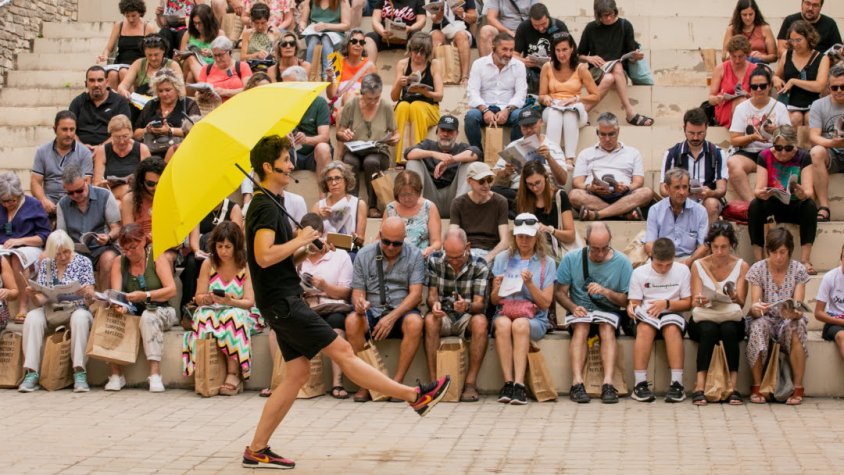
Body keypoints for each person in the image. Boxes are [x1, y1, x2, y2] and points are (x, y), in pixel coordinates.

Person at [243, 136, 450, 469]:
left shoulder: (269, 201)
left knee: (296, 374)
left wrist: (301, 252)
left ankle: (256, 448)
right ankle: (415, 397)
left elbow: (277, 261)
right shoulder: (265, 206)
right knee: (341, 352)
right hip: (283, 302)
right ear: (268, 167)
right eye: (285, 159)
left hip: (280, 299)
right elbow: (263, 257)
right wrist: (301, 238)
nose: (292, 165)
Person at [345, 216, 425, 401]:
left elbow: (416, 295)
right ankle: (367, 383)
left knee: (415, 323)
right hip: (372, 309)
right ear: (379, 235)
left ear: (404, 239)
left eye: (396, 244)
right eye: (386, 241)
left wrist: (391, 317)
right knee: (351, 322)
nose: (390, 247)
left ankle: (396, 385)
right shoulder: (364, 255)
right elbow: (357, 292)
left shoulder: (414, 255)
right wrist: (359, 303)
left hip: (401, 310)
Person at [554, 222, 631, 404]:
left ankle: (608, 383)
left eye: (604, 248)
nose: (600, 254)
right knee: (581, 326)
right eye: (595, 249)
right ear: (587, 241)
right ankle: (577, 383)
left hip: (608, 312)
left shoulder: (622, 262)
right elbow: (559, 293)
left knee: (606, 328)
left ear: (610, 241)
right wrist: (573, 307)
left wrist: (606, 292)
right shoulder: (572, 258)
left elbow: (626, 300)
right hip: (580, 312)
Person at [182, 221, 261, 396]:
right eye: (220, 246)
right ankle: (208, 370)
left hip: (241, 310)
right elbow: (198, 296)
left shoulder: (245, 265)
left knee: (232, 317)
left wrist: (229, 301)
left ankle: (234, 374)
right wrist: (209, 298)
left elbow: (249, 302)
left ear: (236, 246)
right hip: (214, 309)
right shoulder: (208, 264)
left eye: (228, 246)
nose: (223, 251)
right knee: (203, 317)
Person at [17, 230, 96, 393]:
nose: (63, 257)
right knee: (32, 317)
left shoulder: (83, 262)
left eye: (66, 251)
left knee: (81, 318)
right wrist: (33, 295)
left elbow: (90, 300)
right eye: (58, 254)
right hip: (51, 308)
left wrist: (88, 294)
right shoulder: (46, 264)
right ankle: (32, 372)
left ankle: (79, 372)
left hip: (76, 308)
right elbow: (41, 300)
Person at [489, 213, 556, 405]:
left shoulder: (547, 262)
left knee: (519, 325)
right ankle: (508, 382)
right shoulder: (503, 258)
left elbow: (545, 303)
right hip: (506, 310)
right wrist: (499, 287)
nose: (524, 241)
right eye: (520, 236)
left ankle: (520, 385)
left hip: (534, 317)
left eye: (528, 236)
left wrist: (530, 284)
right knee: (502, 324)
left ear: (537, 237)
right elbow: (494, 301)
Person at [104, 223, 177, 392]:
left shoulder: (157, 257)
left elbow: (171, 290)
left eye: (133, 248)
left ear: (143, 241)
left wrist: (146, 295)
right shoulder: (119, 262)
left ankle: (155, 374)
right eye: (125, 249)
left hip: (161, 308)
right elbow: (117, 294)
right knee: (112, 315)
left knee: (148, 317)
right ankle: (116, 374)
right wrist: (119, 306)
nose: (129, 253)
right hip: (134, 308)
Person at [424, 228, 489, 402]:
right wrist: (434, 304)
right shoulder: (435, 260)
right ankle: (433, 382)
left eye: (458, 257)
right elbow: (431, 295)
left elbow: (480, 304)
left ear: (467, 247)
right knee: (430, 319)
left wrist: (466, 306)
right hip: (443, 314)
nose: (454, 262)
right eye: (449, 256)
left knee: (481, 323)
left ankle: (470, 383)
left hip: (467, 316)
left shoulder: (480, 264)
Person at [746, 227, 809, 405]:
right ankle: (758, 386)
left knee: (797, 325)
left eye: (783, 252)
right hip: (767, 318)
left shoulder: (798, 269)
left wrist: (792, 312)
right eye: (774, 252)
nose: (779, 257)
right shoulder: (758, 268)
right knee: (758, 325)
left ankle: (798, 387)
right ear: (768, 251)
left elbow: (798, 303)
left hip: (788, 319)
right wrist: (759, 307)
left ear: (789, 250)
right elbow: (755, 306)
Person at [688, 221, 748, 406]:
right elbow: (694, 300)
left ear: (731, 245)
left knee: (729, 330)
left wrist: (734, 295)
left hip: (729, 314)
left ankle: (733, 387)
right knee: (708, 330)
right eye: (715, 247)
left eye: (724, 247)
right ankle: (700, 386)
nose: (720, 252)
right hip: (705, 315)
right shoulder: (698, 265)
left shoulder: (741, 265)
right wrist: (700, 299)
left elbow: (741, 302)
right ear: (709, 246)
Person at [627, 238, 692, 403]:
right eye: (659, 265)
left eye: (668, 265)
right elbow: (634, 302)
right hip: (647, 315)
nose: (663, 269)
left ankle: (677, 384)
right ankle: (640, 384)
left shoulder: (682, 270)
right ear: (651, 257)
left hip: (672, 312)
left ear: (674, 258)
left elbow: (688, 303)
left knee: (672, 329)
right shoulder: (639, 273)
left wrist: (667, 303)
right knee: (645, 329)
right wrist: (632, 308)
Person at [297, 213, 354, 399]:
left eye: (314, 238)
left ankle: (337, 382)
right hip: (307, 305)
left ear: (322, 235)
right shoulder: (297, 256)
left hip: (332, 305)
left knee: (337, 323)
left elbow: (346, 293)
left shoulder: (340, 255)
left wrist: (324, 286)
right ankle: (283, 381)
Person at [748, 125, 817, 273]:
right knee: (755, 205)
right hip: (774, 203)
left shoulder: (804, 156)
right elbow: (758, 189)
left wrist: (802, 194)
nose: (783, 152)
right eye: (778, 148)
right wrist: (762, 193)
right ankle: (758, 260)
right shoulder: (764, 155)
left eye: (788, 148)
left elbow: (809, 191)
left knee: (810, 205)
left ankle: (805, 259)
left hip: (795, 204)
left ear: (795, 146)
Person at [577, 0, 653, 127]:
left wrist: (636, 57)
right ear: (598, 15)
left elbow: (631, 54)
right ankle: (630, 113)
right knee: (612, 72)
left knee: (611, 75)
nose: (608, 18)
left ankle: (582, 112)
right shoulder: (591, 28)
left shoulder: (625, 25)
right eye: (604, 16)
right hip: (597, 71)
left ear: (615, 11)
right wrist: (589, 58)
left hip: (618, 74)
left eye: (611, 14)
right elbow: (579, 55)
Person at [569, 112, 653, 221]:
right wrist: (590, 187)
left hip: (623, 195)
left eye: (611, 134)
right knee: (574, 195)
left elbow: (638, 181)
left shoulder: (633, 152)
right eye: (603, 134)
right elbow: (577, 182)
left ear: (618, 131)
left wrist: (626, 188)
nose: (607, 139)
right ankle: (623, 214)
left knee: (647, 192)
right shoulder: (586, 153)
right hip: (594, 196)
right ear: (597, 132)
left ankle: (598, 215)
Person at [336, 73, 399, 218]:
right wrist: (343, 134)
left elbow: (396, 133)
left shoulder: (386, 106)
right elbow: (339, 133)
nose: (373, 102)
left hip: (378, 151)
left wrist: (394, 139)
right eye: (369, 98)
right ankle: (352, 204)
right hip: (354, 150)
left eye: (376, 98)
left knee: (371, 162)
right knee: (350, 162)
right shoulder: (351, 105)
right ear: (362, 93)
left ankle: (372, 205)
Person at [727, 65, 791, 202]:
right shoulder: (741, 108)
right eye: (754, 87)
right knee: (733, 163)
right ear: (750, 88)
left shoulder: (780, 107)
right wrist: (752, 137)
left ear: (769, 87)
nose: (758, 90)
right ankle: (752, 205)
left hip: (774, 151)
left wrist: (776, 131)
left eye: (762, 86)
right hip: (749, 152)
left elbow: (790, 138)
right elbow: (734, 139)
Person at [537, 32, 600, 166]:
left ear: (572, 48)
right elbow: (541, 96)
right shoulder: (547, 67)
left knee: (570, 113)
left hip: (575, 107)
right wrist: (546, 98)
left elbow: (596, 95)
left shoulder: (581, 68)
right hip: (554, 107)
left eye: (565, 49)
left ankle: (569, 158)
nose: (561, 54)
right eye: (558, 50)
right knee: (556, 113)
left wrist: (577, 99)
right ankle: (553, 158)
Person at [56, 165, 121, 288]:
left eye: (79, 190)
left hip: (101, 249)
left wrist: (108, 237)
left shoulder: (104, 195)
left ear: (86, 181)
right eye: (70, 193)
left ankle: (104, 302)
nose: (76, 195)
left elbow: (117, 228)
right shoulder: (62, 204)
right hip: (74, 252)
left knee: (108, 258)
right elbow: (61, 235)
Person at [492, 108, 567, 215]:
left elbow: (563, 180)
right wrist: (506, 172)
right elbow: (495, 180)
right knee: (494, 192)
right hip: (518, 191)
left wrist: (550, 159)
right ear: (520, 127)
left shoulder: (553, 146)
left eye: (532, 125)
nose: (529, 130)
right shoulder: (513, 146)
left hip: (543, 191)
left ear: (540, 122)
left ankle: (520, 210)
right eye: (524, 127)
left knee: (558, 194)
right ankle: (526, 208)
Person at [661, 108, 729, 224]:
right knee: (673, 202)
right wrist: (682, 192)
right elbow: (663, 189)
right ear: (684, 129)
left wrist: (710, 193)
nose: (696, 138)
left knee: (711, 204)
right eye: (691, 133)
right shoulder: (672, 153)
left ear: (707, 128)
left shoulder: (718, 153)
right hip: (680, 199)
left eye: (700, 133)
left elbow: (722, 189)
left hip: (708, 200)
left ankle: (706, 242)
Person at [404, 114, 480, 217]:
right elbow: (408, 153)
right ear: (437, 131)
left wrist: (450, 160)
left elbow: (475, 153)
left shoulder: (462, 148)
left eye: (450, 131)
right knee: (413, 162)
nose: (445, 134)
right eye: (443, 130)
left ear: (456, 133)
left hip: (453, 199)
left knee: (470, 164)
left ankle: (460, 212)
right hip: (429, 199)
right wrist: (434, 154)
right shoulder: (428, 145)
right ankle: (416, 210)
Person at [0, 172, 51, 321]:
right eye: (4, 201)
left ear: (20, 194)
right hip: (4, 247)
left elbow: (43, 236)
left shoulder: (33, 204)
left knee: (16, 258)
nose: (8, 204)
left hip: (29, 246)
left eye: (12, 200)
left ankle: (23, 305)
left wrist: (19, 241)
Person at [465, 32, 526, 152]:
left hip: (508, 109)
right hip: (483, 109)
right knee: (471, 117)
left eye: (511, 50)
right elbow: (472, 92)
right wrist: (485, 110)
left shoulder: (519, 66)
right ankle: (478, 153)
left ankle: (513, 157)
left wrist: (507, 110)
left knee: (520, 116)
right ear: (494, 48)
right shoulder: (479, 64)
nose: (508, 54)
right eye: (504, 49)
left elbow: (521, 94)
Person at [390, 32, 444, 164]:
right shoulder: (402, 64)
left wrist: (425, 93)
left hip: (428, 106)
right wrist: (399, 83)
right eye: (415, 51)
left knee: (416, 106)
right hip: (406, 103)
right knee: (402, 106)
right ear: (410, 50)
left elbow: (439, 96)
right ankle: (400, 158)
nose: (418, 55)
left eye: (422, 52)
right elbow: (394, 97)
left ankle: (418, 155)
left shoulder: (434, 64)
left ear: (427, 53)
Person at [31, 111, 94, 215]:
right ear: (55, 129)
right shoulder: (42, 151)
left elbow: (86, 183)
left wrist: (68, 200)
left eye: (72, 130)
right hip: (49, 200)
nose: (69, 134)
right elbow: (35, 182)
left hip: (74, 199)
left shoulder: (84, 152)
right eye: (64, 129)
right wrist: (43, 200)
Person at [449, 162, 510, 264]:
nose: (486, 185)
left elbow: (505, 241)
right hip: (466, 251)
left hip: (492, 252)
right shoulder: (458, 203)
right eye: (481, 181)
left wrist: (487, 258)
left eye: (489, 180)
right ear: (469, 181)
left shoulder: (500, 202)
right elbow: (452, 235)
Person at [644, 168, 709, 266]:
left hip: (689, 258)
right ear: (667, 188)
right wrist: (663, 262)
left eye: (685, 187)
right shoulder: (655, 210)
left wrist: (688, 262)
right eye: (677, 187)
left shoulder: (700, 211)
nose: (682, 192)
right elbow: (649, 243)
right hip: (661, 257)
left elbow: (704, 246)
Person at [774, 20, 830, 128]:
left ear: (808, 38)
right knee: (795, 118)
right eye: (792, 40)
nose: (795, 44)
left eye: (799, 40)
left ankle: (810, 144)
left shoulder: (822, 58)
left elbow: (820, 86)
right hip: (791, 103)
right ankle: (792, 145)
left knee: (810, 118)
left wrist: (794, 81)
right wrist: (776, 79)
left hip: (813, 102)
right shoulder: (787, 55)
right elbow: (776, 75)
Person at [132, 69, 200, 156]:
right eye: (160, 91)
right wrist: (147, 130)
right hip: (151, 151)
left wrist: (170, 131)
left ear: (176, 88)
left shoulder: (188, 104)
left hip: (179, 152)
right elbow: (135, 133)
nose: (164, 94)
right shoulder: (151, 105)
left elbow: (195, 131)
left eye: (168, 90)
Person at [279, 66, 332, 177]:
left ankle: (324, 194)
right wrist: (282, 136)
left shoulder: (319, 102)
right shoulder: (282, 103)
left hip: (313, 153)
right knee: (275, 150)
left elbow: (325, 137)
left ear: (303, 84)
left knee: (323, 148)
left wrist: (306, 139)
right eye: (285, 85)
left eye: (291, 85)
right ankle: (279, 194)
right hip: (290, 152)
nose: (287, 88)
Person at [516, 160, 576, 252]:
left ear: (545, 177)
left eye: (537, 182)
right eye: (530, 184)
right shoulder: (523, 199)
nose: (535, 188)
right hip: (532, 248)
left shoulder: (559, 196)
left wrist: (550, 230)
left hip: (555, 248)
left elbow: (571, 236)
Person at [97, 0, 159, 90]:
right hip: (120, 62)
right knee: (112, 74)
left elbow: (152, 51)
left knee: (124, 72)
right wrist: (104, 56)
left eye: (134, 15)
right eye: (127, 16)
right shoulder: (119, 25)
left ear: (140, 13)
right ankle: (114, 102)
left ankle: (129, 102)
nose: (130, 19)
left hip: (138, 63)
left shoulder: (148, 27)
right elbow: (108, 48)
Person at [809, 64, 844, 223]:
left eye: (842, 87)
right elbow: (814, 136)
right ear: (828, 87)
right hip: (832, 152)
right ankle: (824, 207)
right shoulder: (819, 105)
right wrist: (832, 143)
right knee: (816, 152)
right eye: (834, 87)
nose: (839, 90)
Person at [69, 66, 133, 151]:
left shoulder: (120, 102)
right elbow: (69, 129)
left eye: (100, 80)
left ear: (107, 82)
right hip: (81, 151)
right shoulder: (77, 102)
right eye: (92, 80)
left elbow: (126, 130)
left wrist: (101, 148)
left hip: (112, 150)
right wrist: (81, 147)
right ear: (86, 83)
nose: (96, 84)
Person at [92, 114, 151, 204]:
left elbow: (150, 178)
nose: (122, 141)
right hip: (111, 194)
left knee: (123, 200)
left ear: (131, 133)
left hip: (136, 194)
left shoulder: (142, 149)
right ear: (111, 135)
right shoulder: (103, 150)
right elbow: (96, 184)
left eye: (125, 136)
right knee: (119, 202)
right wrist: (104, 184)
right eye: (117, 137)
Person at [385, 170, 442, 258]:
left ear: (418, 192)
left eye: (410, 194)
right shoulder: (390, 208)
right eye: (403, 195)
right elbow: (381, 238)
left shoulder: (429, 207)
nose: (407, 198)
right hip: (394, 258)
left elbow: (437, 242)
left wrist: (430, 249)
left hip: (421, 257)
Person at [513, 3, 568, 94]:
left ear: (548, 17)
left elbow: (569, 52)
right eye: (536, 25)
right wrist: (523, 61)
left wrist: (556, 60)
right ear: (530, 20)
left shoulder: (559, 26)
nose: (540, 28)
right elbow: (514, 54)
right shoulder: (524, 27)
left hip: (555, 69)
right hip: (531, 72)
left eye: (543, 24)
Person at [312, 161, 367, 246]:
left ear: (346, 180)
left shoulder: (359, 204)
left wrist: (354, 237)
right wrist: (319, 217)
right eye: (329, 179)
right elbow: (309, 236)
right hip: (325, 250)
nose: (333, 183)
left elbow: (361, 240)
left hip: (348, 251)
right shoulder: (318, 206)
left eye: (337, 178)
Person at [116, 34, 185, 101]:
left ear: (163, 51)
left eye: (156, 54)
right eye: (149, 55)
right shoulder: (138, 63)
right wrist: (124, 91)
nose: (153, 58)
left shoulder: (173, 65)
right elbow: (123, 86)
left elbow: (182, 91)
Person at [324, 29, 376, 110]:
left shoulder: (370, 66)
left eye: (361, 42)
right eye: (354, 41)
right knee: (348, 96)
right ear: (347, 44)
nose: (358, 44)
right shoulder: (337, 63)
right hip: (341, 104)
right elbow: (331, 96)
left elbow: (374, 95)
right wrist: (330, 78)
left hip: (362, 106)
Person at [427, 0, 476, 85]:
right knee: (435, 36)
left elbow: (473, 18)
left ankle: (465, 77)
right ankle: (434, 76)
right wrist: (439, 15)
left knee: (461, 36)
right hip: (440, 29)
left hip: (460, 29)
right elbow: (434, 19)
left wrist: (463, 14)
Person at [363, 0, 427, 65]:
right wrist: (382, 32)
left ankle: (415, 71)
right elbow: (375, 20)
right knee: (368, 39)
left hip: (409, 35)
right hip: (385, 35)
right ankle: (369, 69)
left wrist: (411, 28)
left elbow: (422, 21)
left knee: (418, 38)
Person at [709, 35, 754, 128]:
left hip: (749, 107)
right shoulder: (721, 68)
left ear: (747, 54)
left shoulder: (754, 69)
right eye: (733, 56)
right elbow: (711, 98)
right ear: (729, 53)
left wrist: (748, 95)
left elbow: (760, 96)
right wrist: (717, 99)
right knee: (741, 102)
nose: (737, 60)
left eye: (740, 56)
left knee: (743, 102)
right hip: (725, 108)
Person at [299, 0, 350, 79]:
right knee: (313, 41)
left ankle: (328, 76)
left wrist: (326, 26)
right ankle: (308, 75)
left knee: (326, 40)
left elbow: (346, 25)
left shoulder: (342, 1)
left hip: (335, 33)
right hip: (314, 32)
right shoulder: (309, 1)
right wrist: (302, 27)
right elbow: (303, 21)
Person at [121, 157, 165, 243]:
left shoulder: (171, 197)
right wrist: (146, 239)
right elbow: (129, 234)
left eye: (160, 183)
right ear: (141, 182)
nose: (156, 188)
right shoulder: (130, 199)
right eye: (150, 184)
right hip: (140, 245)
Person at [197, 36, 253, 102]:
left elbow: (248, 90)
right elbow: (198, 93)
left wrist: (225, 92)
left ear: (229, 52)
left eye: (220, 55)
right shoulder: (206, 69)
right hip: (213, 108)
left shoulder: (242, 66)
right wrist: (202, 95)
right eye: (215, 55)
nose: (217, 59)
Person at [178, 4, 223, 85]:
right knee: (190, 58)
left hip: (211, 68)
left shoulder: (219, 34)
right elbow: (181, 59)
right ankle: (206, 86)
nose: (197, 27)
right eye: (195, 23)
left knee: (191, 77)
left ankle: (203, 87)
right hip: (189, 67)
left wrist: (211, 53)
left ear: (208, 22)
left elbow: (226, 56)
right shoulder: (188, 34)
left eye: (200, 23)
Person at [721, 0, 777, 64]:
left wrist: (761, 56)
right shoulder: (731, 29)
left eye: (751, 14)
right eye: (744, 15)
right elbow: (724, 56)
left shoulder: (765, 29)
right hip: (737, 65)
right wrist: (732, 55)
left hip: (758, 64)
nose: (748, 18)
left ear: (755, 13)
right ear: (739, 15)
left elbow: (774, 56)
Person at [814, 244, 844, 361]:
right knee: (843, 336)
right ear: (841, 257)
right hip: (834, 322)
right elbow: (818, 313)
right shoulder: (830, 277)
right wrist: (841, 321)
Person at [777, 0, 841, 54]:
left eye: (815, 5)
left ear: (820, 8)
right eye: (807, 4)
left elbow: (838, 49)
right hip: (795, 62)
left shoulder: (830, 23)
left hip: (822, 63)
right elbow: (781, 49)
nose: (810, 8)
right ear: (802, 4)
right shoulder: (790, 20)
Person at [239, 3, 278, 73]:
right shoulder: (247, 34)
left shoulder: (274, 32)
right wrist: (255, 55)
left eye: (263, 23)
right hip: (252, 68)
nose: (260, 26)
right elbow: (242, 58)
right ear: (252, 21)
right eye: (257, 23)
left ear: (267, 20)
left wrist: (273, 55)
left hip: (270, 69)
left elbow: (279, 55)